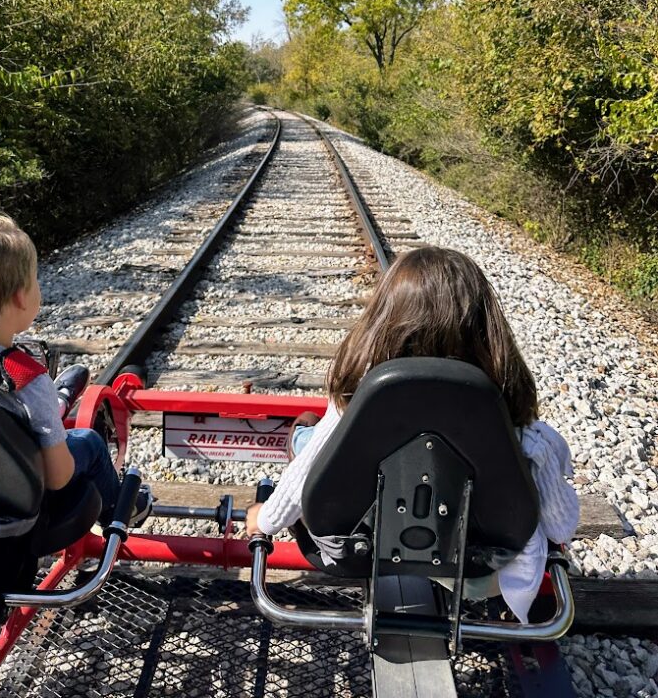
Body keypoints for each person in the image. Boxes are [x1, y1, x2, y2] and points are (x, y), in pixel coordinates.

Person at [245, 245, 579, 623]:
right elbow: (560, 525)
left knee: (308, 439)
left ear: (385, 321)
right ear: (487, 329)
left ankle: (300, 436)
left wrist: (266, 518)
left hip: (362, 547)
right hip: (475, 569)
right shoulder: (520, 425)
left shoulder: (359, 397)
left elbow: (304, 476)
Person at [0, 209, 150, 528]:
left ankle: (58, 403)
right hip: (17, 494)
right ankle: (119, 510)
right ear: (21, 298)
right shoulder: (27, 380)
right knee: (88, 440)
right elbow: (58, 477)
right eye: (34, 279)